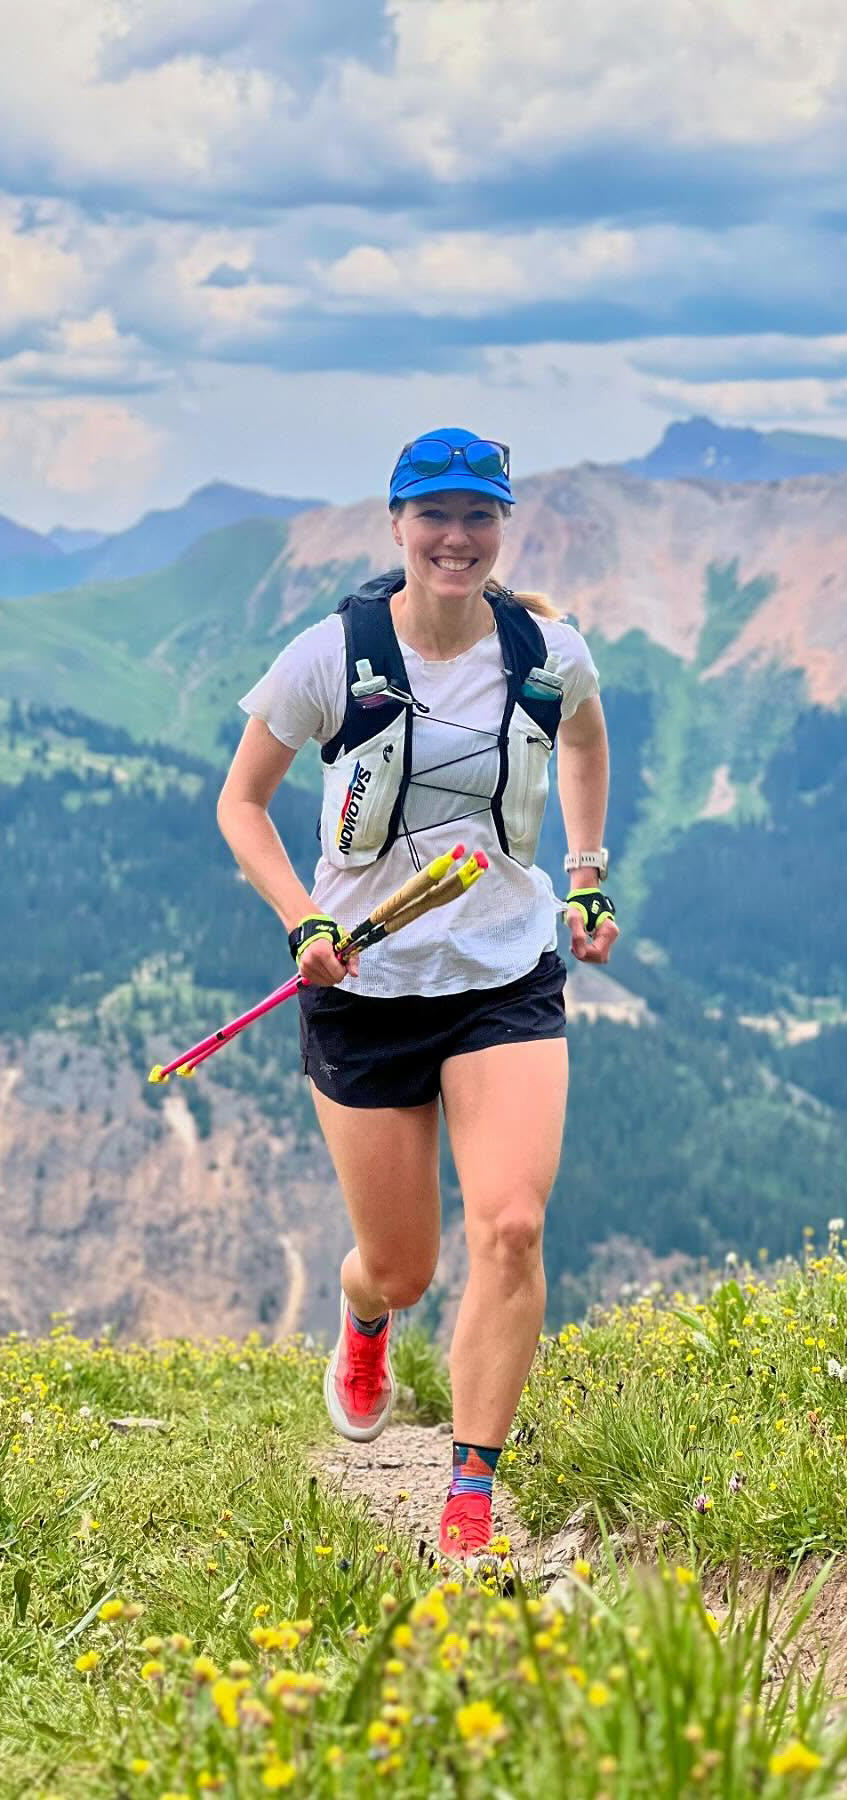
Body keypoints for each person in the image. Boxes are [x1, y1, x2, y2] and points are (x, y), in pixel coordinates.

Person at [216, 427, 617, 1559]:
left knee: (512, 1224)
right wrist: (304, 917)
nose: (457, 536)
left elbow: (584, 742)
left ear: (502, 529)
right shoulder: (328, 657)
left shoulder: (546, 650)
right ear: (397, 526)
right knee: (402, 1264)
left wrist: (583, 875)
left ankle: (472, 1488)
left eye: (479, 515)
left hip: (505, 973)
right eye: (434, 515)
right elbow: (240, 804)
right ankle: (365, 1321)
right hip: (365, 983)